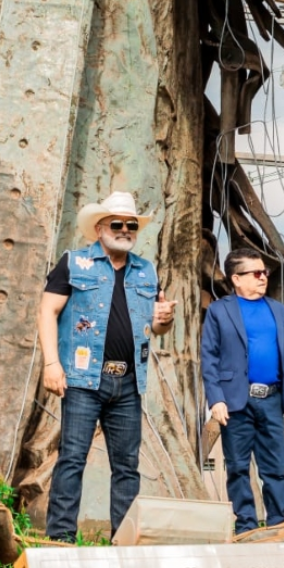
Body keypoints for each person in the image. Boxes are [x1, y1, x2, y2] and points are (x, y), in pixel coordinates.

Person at [38, 191, 176, 542]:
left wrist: (164, 320)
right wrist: (52, 363)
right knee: (72, 459)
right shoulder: (74, 262)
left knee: (127, 468)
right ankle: (61, 539)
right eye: (117, 224)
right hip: (84, 378)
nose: (125, 230)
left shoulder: (146, 270)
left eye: (132, 225)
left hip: (128, 382)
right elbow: (47, 311)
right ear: (100, 228)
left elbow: (156, 328)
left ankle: (125, 542)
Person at [201, 248, 284, 534]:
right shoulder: (218, 311)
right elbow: (209, 358)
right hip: (236, 402)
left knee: (274, 467)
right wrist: (216, 400)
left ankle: (277, 524)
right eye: (256, 273)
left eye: (265, 273)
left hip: (271, 399)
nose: (263, 278)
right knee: (236, 467)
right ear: (236, 278)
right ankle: (246, 527)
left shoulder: (278, 310)